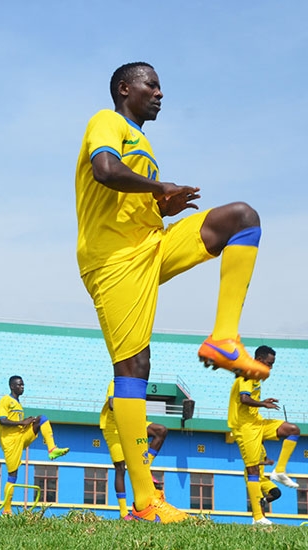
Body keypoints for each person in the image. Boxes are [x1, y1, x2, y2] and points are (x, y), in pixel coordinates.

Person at [74, 61, 271, 523]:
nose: (161, 94)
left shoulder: (143, 142)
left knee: (241, 218)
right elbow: (104, 170)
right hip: (112, 260)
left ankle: (224, 336)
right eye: (152, 85)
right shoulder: (106, 121)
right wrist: (160, 186)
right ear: (126, 89)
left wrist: (159, 202)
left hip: (152, 244)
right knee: (134, 365)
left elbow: (127, 192)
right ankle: (145, 502)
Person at [228, 345, 301, 525]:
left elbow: (247, 399)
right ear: (259, 360)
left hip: (257, 423)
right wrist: (263, 403)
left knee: (292, 430)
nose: (271, 368)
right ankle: (258, 517)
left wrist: (263, 402)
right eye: (269, 363)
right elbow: (244, 399)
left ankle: (279, 471)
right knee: (252, 470)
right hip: (245, 428)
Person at [0, 375, 69, 515]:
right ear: (12, 386)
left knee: (42, 419)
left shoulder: (18, 403)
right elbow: (2, 421)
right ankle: (6, 510)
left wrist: (27, 421)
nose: (22, 387)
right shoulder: (6, 400)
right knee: (12, 475)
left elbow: (17, 422)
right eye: (19, 385)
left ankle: (52, 449)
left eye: (23, 385)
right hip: (10, 442)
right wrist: (21, 422)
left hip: (21, 436)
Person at [99, 380, 167, 518]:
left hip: (132, 424)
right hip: (114, 429)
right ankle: (124, 512)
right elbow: (112, 405)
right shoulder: (116, 383)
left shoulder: (136, 384)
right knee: (120, 468)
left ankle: (145, 466)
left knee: (161, 431)